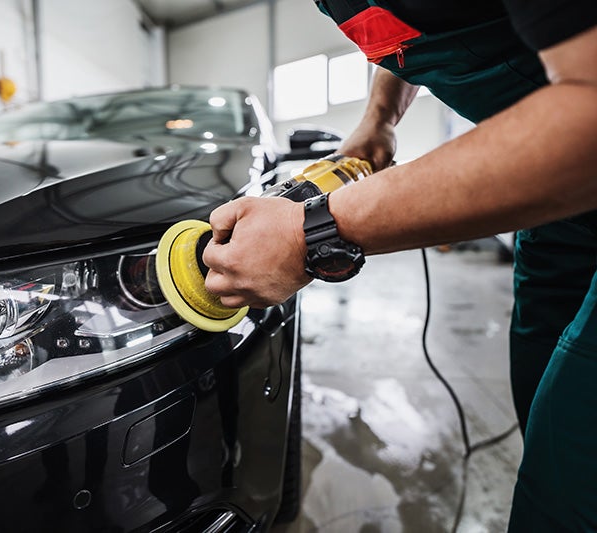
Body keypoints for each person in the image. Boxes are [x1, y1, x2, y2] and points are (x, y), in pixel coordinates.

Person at [201, 0, 597, 530]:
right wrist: (379, 119)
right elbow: (400, 25)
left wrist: (315, 231)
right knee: (539, 382)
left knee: (569, 470)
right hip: (562, 205)